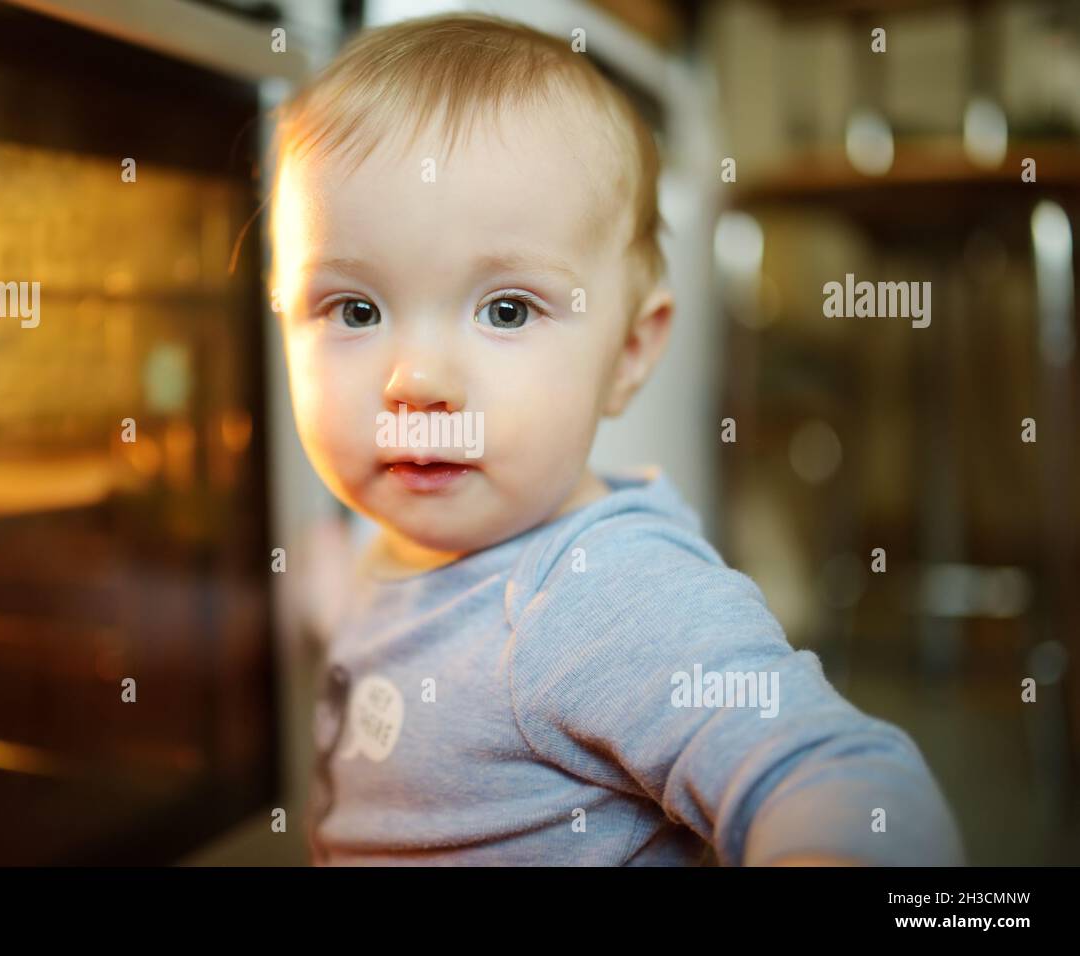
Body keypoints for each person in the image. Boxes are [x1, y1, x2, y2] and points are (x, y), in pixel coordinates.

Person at [267, 12, 965, 866]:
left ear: (629, 351)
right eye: (358, 309)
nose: (415, 380)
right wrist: (331, 592)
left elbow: (840, 780)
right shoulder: (400, 527)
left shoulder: (606, 597)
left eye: (507, 309)